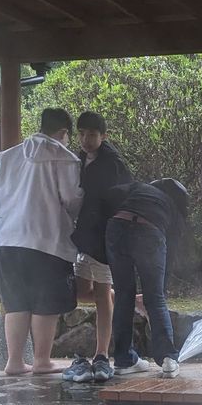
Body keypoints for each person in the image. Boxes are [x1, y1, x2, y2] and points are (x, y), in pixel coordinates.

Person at [0, 108, 83, 376]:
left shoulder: (7, 157)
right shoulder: (64, 157)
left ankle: (14, 362)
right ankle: (41, 360)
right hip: (47, 238)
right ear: (64, 133)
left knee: (16, 301)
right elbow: (72, 198)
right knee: (44, 302)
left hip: (9, 239)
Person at [62, 111, 132, 384]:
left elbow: (120, 200)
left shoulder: (113, 164)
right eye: (81, 133)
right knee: (80, 290)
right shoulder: (77, 159)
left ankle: (102, 354)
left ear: (104, 136)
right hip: (84, 237)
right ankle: (112, 297)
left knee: (102, 292)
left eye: (92, 134)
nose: (85, 140)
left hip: (105, 238)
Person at [102, 179, 189, 379]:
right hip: (149, 232)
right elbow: (170, 254)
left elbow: (110, 192)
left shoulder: (138, 188)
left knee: (124, 295)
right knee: (155, 298)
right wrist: (160, 290)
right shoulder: (173, 209)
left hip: (116, 226)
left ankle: (124, 361)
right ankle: (168, 359)